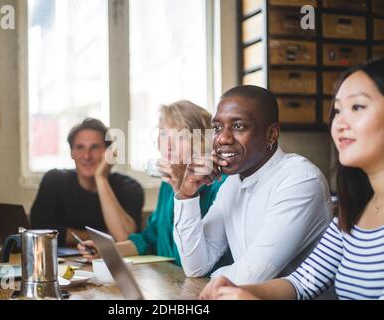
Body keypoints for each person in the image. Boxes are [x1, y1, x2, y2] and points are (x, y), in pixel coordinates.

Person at [206, 58, 384, 300]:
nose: (339, 123)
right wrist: (236, 290)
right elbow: (303, 283)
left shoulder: (299, 178)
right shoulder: (353, 213)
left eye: (357, 107)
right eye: (338, 110)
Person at [173, 85, 332, 292]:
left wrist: (221, 277)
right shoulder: (232, 183)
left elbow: (251, 277)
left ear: (272, 134)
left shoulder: (300, 181)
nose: (222, 139)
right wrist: (186, 194)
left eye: (239, 127)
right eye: (218, 128)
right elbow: (195, 266)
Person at [78, 101, 232, 269]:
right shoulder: (167, 183)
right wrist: (107, 250)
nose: (168, 144)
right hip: (171, 282)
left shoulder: (220, 184)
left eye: (181, 136)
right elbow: (150, 237)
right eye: (164, 134)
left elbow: (196, 257)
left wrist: (182, 192)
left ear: (203, 141)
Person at [30, 118, 144, 246]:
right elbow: (40, 232)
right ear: (72, 153)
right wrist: (106, 236)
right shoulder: (54, 181)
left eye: (95, 147)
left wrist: (101, 178)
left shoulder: (129, 187)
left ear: (108, 153)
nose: (87, 156)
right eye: (80, 147)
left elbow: (125, 238)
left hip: (111, 263)